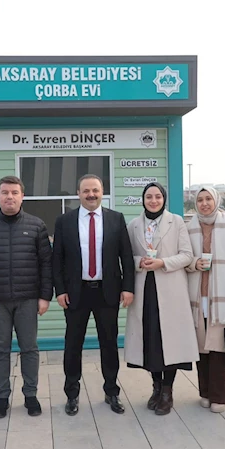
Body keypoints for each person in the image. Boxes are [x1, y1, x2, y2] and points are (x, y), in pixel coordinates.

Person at [0, 176, 53, 418]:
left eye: (14, 192)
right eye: (5, 192)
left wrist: (45, 296)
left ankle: (31, 395)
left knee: (29, 348)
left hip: (28, 298)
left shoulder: (37, 225)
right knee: (0, 350)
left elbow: (45, 264)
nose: (10, 197)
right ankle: (2, 397)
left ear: (22, 196)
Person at [53, 174, 135, 416]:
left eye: (95, 190)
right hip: (76, 294)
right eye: (86, 190)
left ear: (102, 192)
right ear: (78, 193)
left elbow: (126, 258)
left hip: (107, 292)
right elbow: (57, 259)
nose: (91, 194)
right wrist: (60, 291)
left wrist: (128, 288)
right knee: (73, 345)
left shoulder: (116, 219)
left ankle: (111, 391)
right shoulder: (64, 221)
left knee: (109, 344)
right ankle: (72, 394)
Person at [125, 182, 198, 415]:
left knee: (170, 342)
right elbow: (127, 257)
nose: (153, 200)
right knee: (150, 341)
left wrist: (163, 263)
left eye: (157, 196)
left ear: (164, 199)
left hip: (170, 290)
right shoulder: (134, 225)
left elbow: (187, 256)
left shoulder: (176, 222)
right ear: (143, 199)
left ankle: (167, 390)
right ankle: (155, 387)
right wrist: (140, 262)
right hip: (145, 289)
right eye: (149, 196)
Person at [185, 187, 225, 413]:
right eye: (200, 200)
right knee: (201, 347)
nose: (204, 203)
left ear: (216, 200)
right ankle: (205, 392)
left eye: (208, 199)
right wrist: (194, 264)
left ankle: (219, 397)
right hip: (196, 297)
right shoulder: (188, 228)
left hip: (222, 299)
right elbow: (184, 259)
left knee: (219, 347)